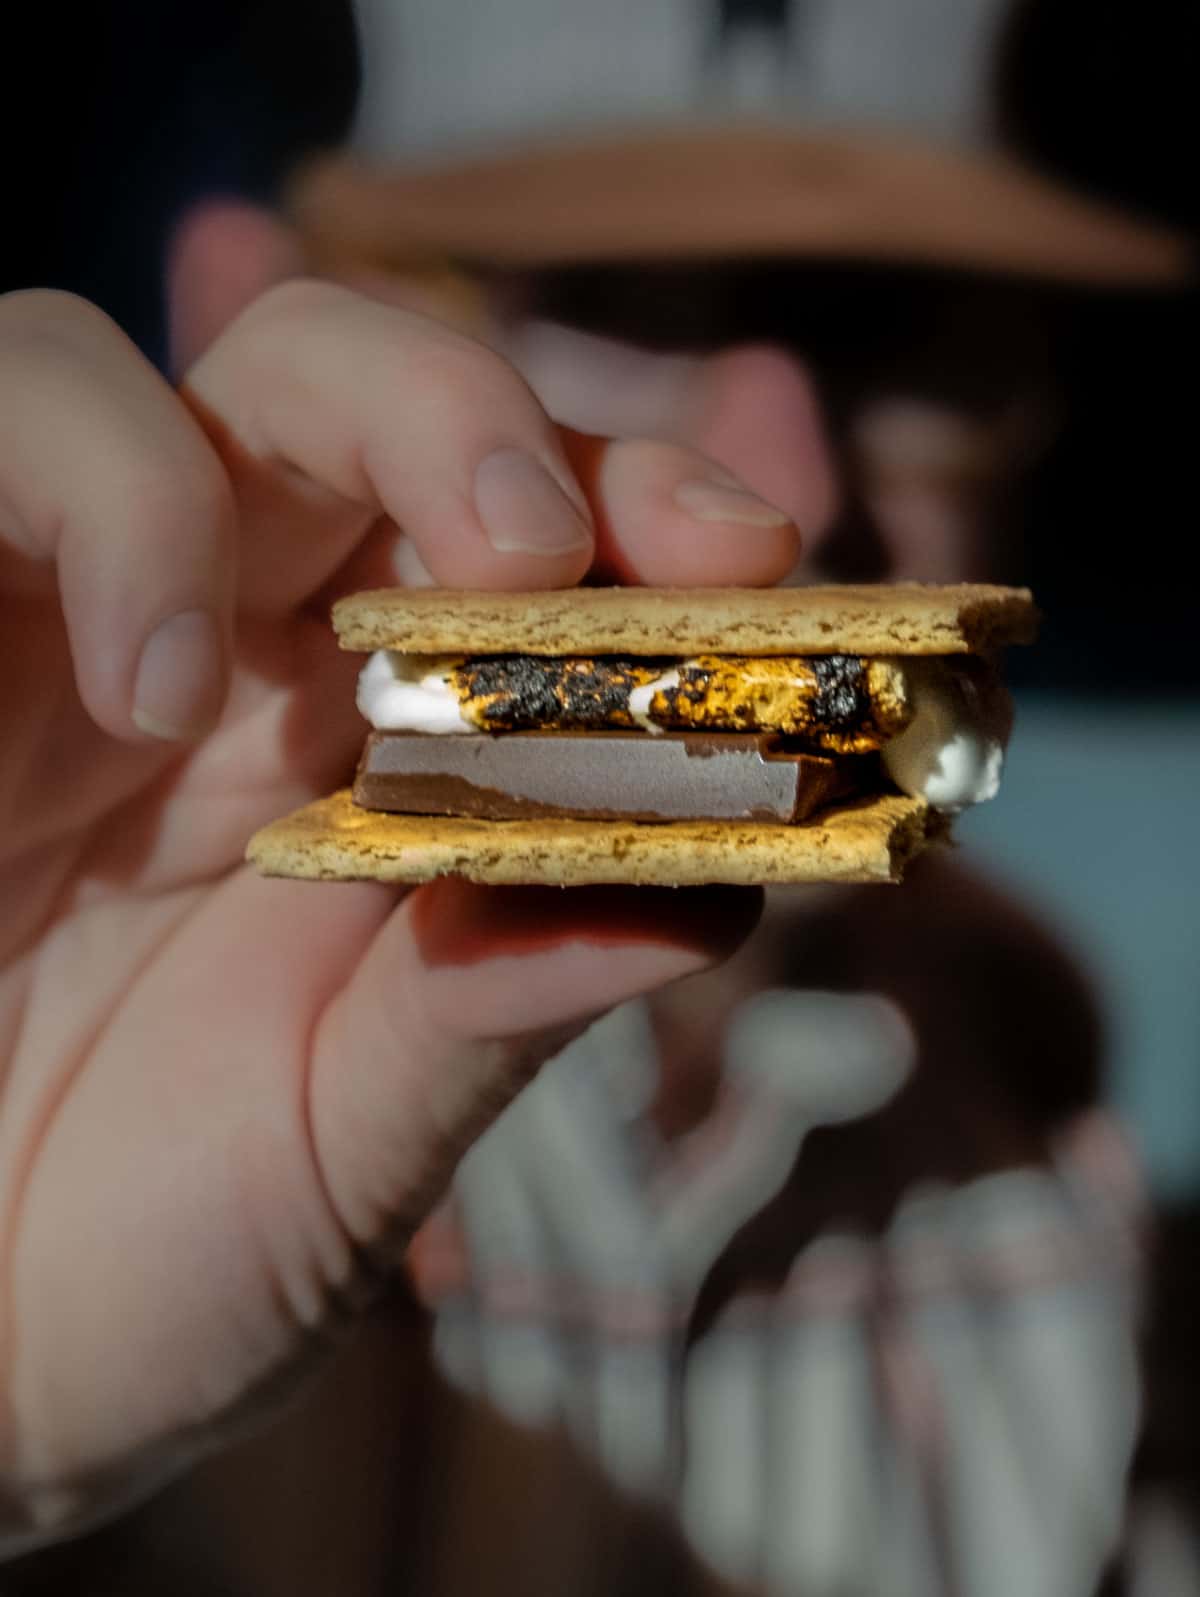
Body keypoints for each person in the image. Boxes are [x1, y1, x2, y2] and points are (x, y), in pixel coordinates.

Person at [1, 2, 1194, 1594]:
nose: (797, 491)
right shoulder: (55, 1005)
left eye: (899, 330)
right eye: (614, 300)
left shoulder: (1074, 1212)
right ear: (241, 297)